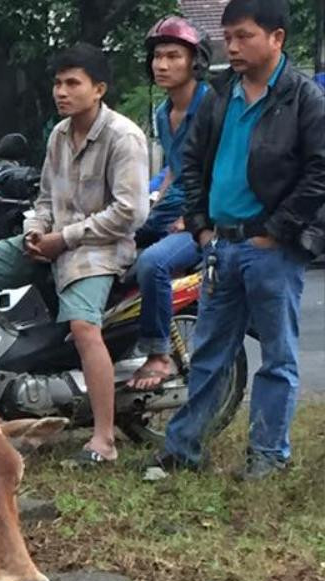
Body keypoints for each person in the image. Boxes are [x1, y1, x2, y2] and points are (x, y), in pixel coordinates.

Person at [158, 0, 325, 480]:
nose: (232, 46)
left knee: (277, 355)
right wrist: (201, 227)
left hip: (269, 249)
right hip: (221, 245)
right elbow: (190, 163)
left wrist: (278, 231)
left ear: (277, 38)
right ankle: (183, 448)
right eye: (228, 36)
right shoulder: (220, 93)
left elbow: (319, 172)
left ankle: (267, 456)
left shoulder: (303, 98)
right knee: (210, 351)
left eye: (244, 35)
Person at [0, 43, 149, 464]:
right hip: (51, 242)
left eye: (72, 83)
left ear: (98, 89)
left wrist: (63, 238)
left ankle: (104, 440)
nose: (61, 91)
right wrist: (34, 230)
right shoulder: (59, 134)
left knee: (84, 328)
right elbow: (44, 199)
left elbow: (130, 211)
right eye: (57, 83)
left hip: (98, 250)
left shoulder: (125, 137)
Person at [126, 17, 214, 391]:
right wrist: (149, 201)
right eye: (157, 57)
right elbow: (175, 170)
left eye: (173, 56)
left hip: (204, 216)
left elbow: (221, 168)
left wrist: (193, 217)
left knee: (152, 263)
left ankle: (158, 353)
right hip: (169, 209)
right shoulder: (163, 113)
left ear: (195, 62)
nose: (161, 65)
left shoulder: (212, 105)